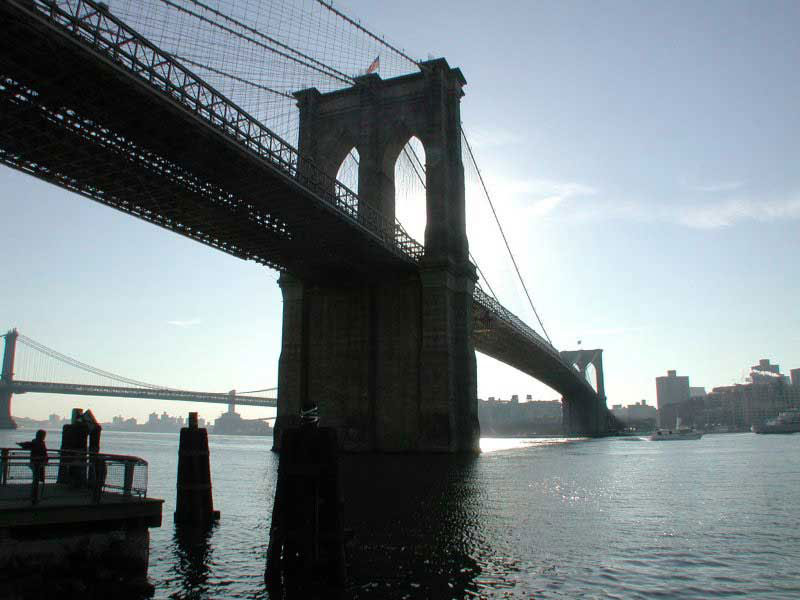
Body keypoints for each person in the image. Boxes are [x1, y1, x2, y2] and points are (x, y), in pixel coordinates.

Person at [17, 429, 48, 504]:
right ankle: (34, 498)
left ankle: (34, 497)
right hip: (38, 463)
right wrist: (45, 460)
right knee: (36, 480)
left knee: (36, 480)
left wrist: (20, 444)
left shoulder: (35, 442)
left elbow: (27, 445)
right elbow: (44, 453)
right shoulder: (40, 443)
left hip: (35, 462)